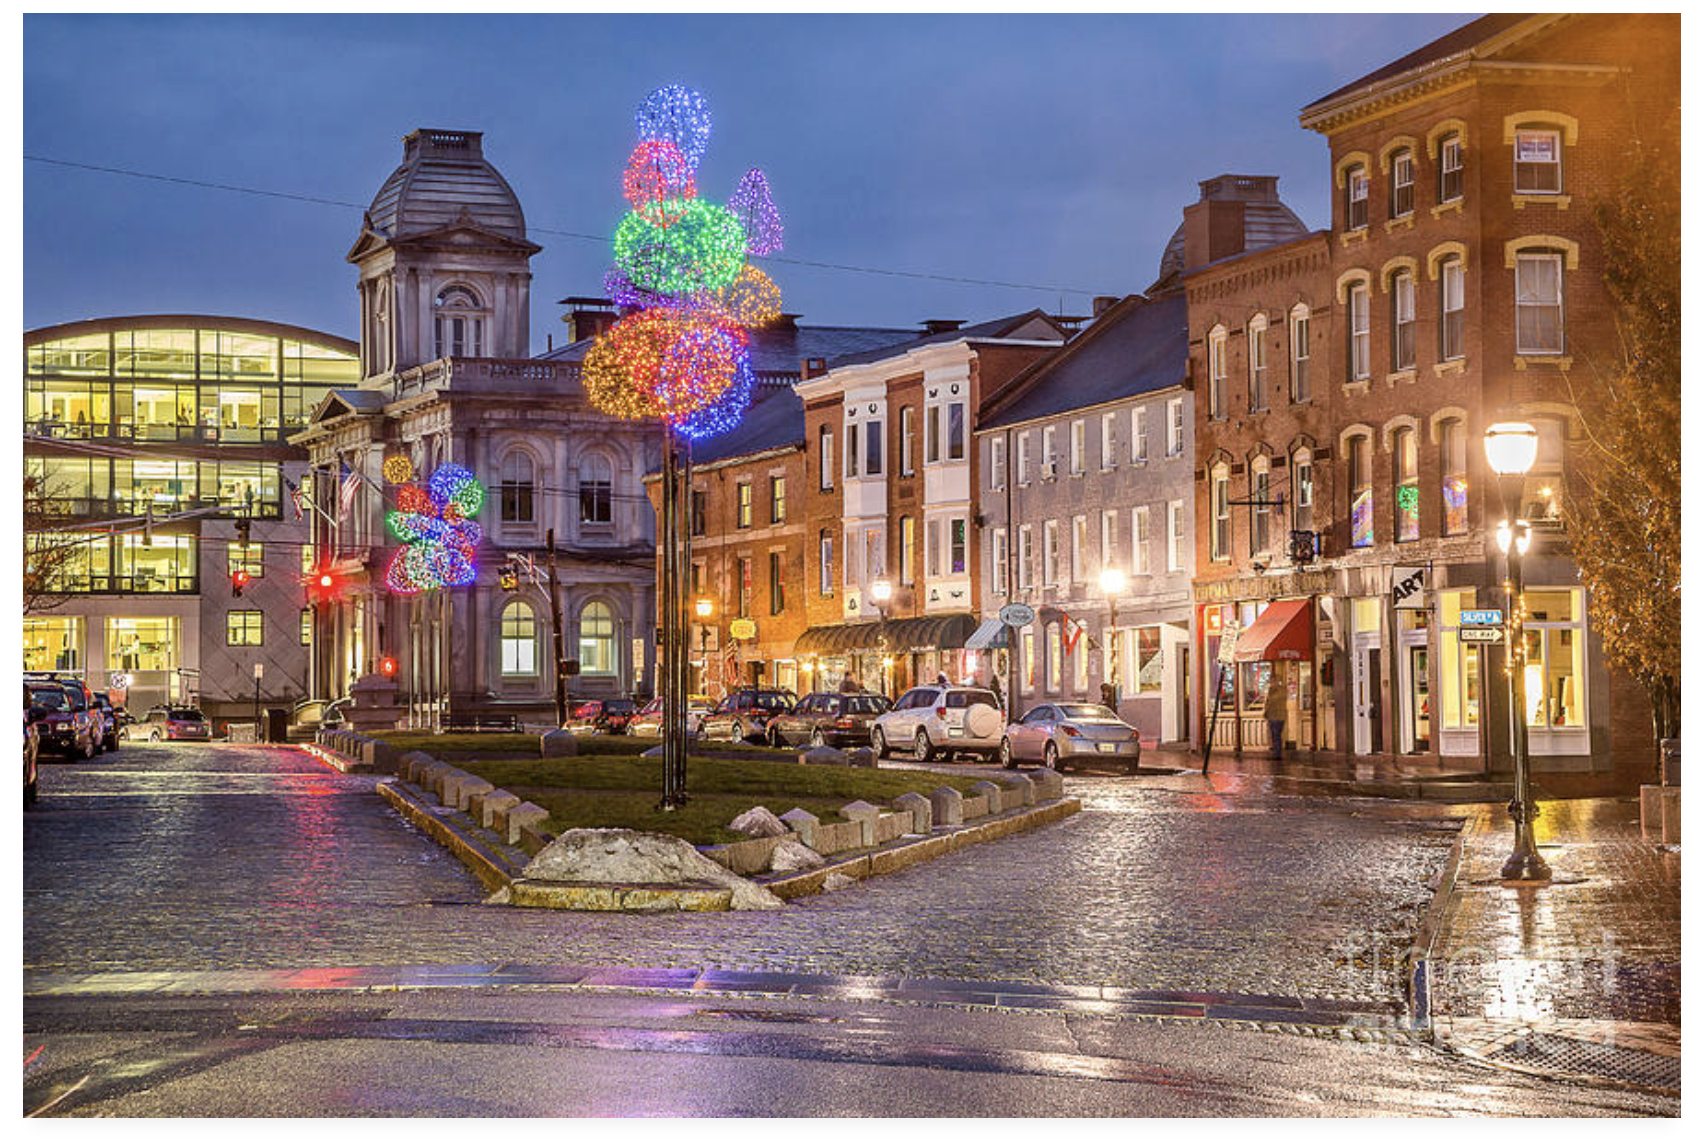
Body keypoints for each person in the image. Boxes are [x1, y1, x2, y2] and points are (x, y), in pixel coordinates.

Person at [1265, 665, 1288, 759]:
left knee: (1276, 735)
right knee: (1274, 735)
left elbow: (1272, 701)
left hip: (1277, 716)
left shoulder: (1279, 690)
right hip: (1273, 715)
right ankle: (1276, 753)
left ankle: (1277, 754)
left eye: (1272, 681)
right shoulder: (1273, 690)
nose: (1271, 683)